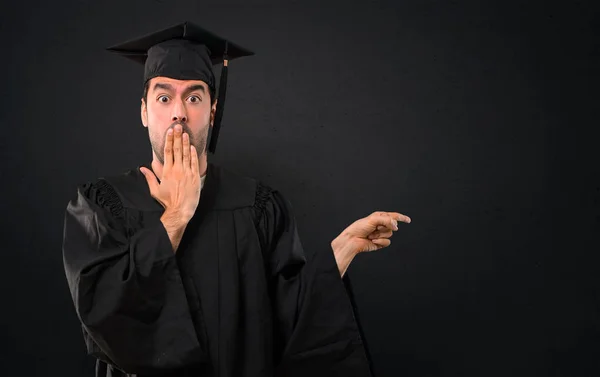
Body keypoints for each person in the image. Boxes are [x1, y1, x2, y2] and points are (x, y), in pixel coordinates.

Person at [62, 21, 411, 377]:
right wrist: (177, 215)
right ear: (144, 111)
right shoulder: (102, 205)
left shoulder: (258, 206)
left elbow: (288, 319)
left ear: (212, 112)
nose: (178, 111)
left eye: (194, 97)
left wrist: (340, 251)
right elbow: (103, 316)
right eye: (163, 97)